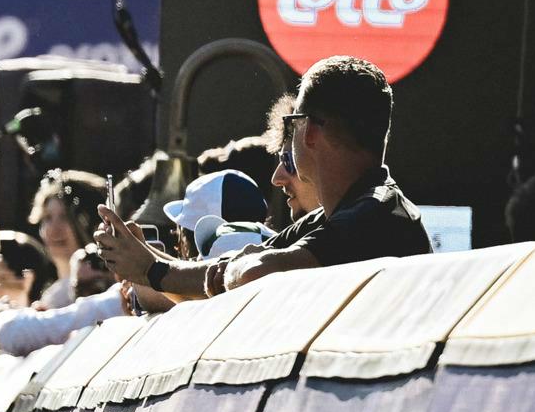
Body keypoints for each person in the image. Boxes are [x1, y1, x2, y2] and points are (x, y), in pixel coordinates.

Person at [98, 57, 430, 299]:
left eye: (292, 124)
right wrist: (148, 262)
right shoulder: (349, 213)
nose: (276, 178)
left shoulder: (374, 216)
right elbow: (229, 268)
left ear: (309, 131)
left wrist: (153, 270)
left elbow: (256, 271)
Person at [29, 172, 109, 308]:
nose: (54, 229)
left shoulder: (102, 289)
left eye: (65, 217)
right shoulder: (50, 295)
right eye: (47, 218)